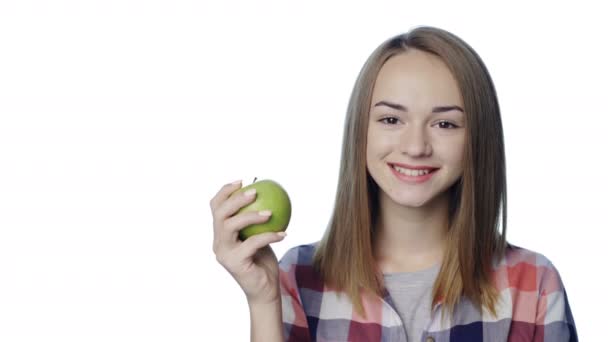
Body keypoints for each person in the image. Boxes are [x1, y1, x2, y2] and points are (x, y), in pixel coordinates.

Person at [210, 26, 578, 342]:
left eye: (445, 123)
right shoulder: (299, 277)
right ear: (361, 132)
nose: (415, 147)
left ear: (478, 140)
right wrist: (262, 301)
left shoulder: (534, 285)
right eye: (390, 119)